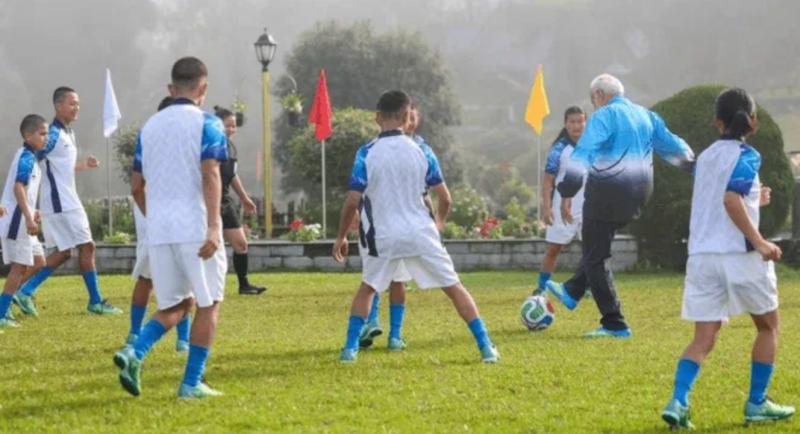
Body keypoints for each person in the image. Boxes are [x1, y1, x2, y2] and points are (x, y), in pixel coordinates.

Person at [661, 88, 795, 429]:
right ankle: (757, 403)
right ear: (753, 122)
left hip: (702, 258)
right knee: (768, 327)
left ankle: (678, 401)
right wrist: (760, 242)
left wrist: (755, 200)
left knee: (703, 338)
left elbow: (721, 197)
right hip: (739, 257)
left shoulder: (705, 158)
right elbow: (731, 199)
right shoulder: (748, 156)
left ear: (717, 122)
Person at [334, 90, 498, 364]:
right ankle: (486, 347)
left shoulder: (366, 153)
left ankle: (350, 351)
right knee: (454, 287)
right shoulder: (422, 150)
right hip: (421, 234)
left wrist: (340, 236)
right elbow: (445, 197)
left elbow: (352, 200)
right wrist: (438, 224)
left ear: (377, 117)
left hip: (382, 236)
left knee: (368, 288)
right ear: (406, 116)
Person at [546, 74, 694, 338]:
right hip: (640, 193)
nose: (594, 105)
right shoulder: (646, 115)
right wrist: (698, 169)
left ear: (599, 95)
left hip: (607, 192)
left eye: (593, 100)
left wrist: (567, 190)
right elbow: (675, 148)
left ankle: (614, 323)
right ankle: (572, 291)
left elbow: (583, 153)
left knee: (595, 257)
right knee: (597, 247)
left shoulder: (604, 116)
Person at [114, 57, 228, 399]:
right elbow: (211, 173)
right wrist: (213, 226)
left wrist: (156, 220)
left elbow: (136, 186)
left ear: (170, 88)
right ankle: (191, 383)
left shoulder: (149, 128)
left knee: (176, 305)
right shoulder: (208, 123)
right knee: (209, 304)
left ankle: (135, 351)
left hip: (161, 232)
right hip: (196, 228)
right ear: (203, 87)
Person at [13, 87, 122, 316]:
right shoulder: (52, 135)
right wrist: (27, 196)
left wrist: (83, 165)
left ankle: (25, 291)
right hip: (61, 203)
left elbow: (59, 167)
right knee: (87, 246)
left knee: (64, 252)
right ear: (58, 106)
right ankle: (95, 302)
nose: (76, 108)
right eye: (72, 103)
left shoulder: (68, 133)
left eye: (78, 103)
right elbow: (33, 158)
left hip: (63, 201)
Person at [121, 96, 191, 352]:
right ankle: (176, 339)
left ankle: (142, 334)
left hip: (153, 211)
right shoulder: (171, 139)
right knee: (176, 276)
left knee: (150, 276)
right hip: (161, 212)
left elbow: (137, 185)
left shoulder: (149, 136)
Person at [0, 115, 48, 330]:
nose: (46, 137)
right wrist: (28, 217)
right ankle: (2, 313)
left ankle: (10, 298)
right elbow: (18, 187)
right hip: (16, 221)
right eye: (42, 133)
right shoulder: (26, 158)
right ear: (28, 136)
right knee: (19, 267)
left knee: (39, 262)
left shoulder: (31, 157)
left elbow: (25, 191)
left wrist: (33, 210)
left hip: (23, 218)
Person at [213, 106, 266, 295]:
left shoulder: (231, 148)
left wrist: (244, 198)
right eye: (227, 125)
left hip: (225, 202)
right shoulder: (209, 145)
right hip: (208, 201)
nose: (231, 129)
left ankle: (244, 285)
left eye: (234, 126)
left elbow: (232, 175)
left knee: (241, 244)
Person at [536, 106, 587, 294]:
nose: (576, 126)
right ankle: (542, 287)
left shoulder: (592, 145)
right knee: (554, 248)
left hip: (590, 205)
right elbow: (548, 180)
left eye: (580, 121)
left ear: (585, 123)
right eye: (572, 122)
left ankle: (587, 286)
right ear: (566, 124)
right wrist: (547, 208)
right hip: (562, 206)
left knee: (592, 250)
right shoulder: (559, 149)